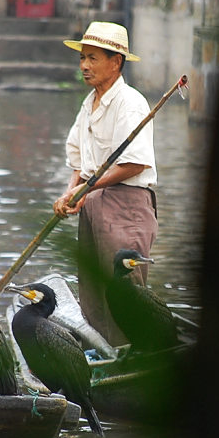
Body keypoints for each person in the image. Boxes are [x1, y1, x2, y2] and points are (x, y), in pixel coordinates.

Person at [53, 21, 158, 346]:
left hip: (125, 206)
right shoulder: (90, 104)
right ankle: (102, 356)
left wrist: (87, 188)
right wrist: (72, 192)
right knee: (92, 291)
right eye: (83, 58)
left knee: (123, 289)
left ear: (116, 62)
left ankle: (133, 357)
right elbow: (78, 159)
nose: (85, 66)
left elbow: (135, 163)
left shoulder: (129, 102)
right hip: (94, 203)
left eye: (93, 58)